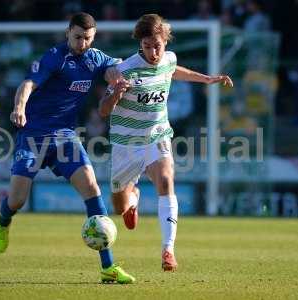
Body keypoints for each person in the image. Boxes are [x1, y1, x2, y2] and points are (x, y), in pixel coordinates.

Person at [0, 12, 135, 284]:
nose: (83, 43)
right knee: (17, 200)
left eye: (88, 38)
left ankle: (108, 266)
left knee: (92, 189)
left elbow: (111, 68)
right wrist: (19, 108)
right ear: (68, 32)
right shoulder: (54, 57)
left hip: (65, 138)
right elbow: (27, 84)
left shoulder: (94, 58)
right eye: (78, 37)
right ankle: (3, 220)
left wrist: (116, 76)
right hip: (34, 135)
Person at [98, 14, 233, 272]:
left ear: (165, 41)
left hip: (157, 135)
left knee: (167, 180)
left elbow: (174, 70)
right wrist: (116, 93)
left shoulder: (169, 59)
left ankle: (168, 250)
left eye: (157, 45)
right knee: (119, 206)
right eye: (147, 46)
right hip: (125, 143)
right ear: (141, 44)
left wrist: (206, 79)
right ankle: (132, 198)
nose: (152, 52)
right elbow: (103, 111)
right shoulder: (125, 70)